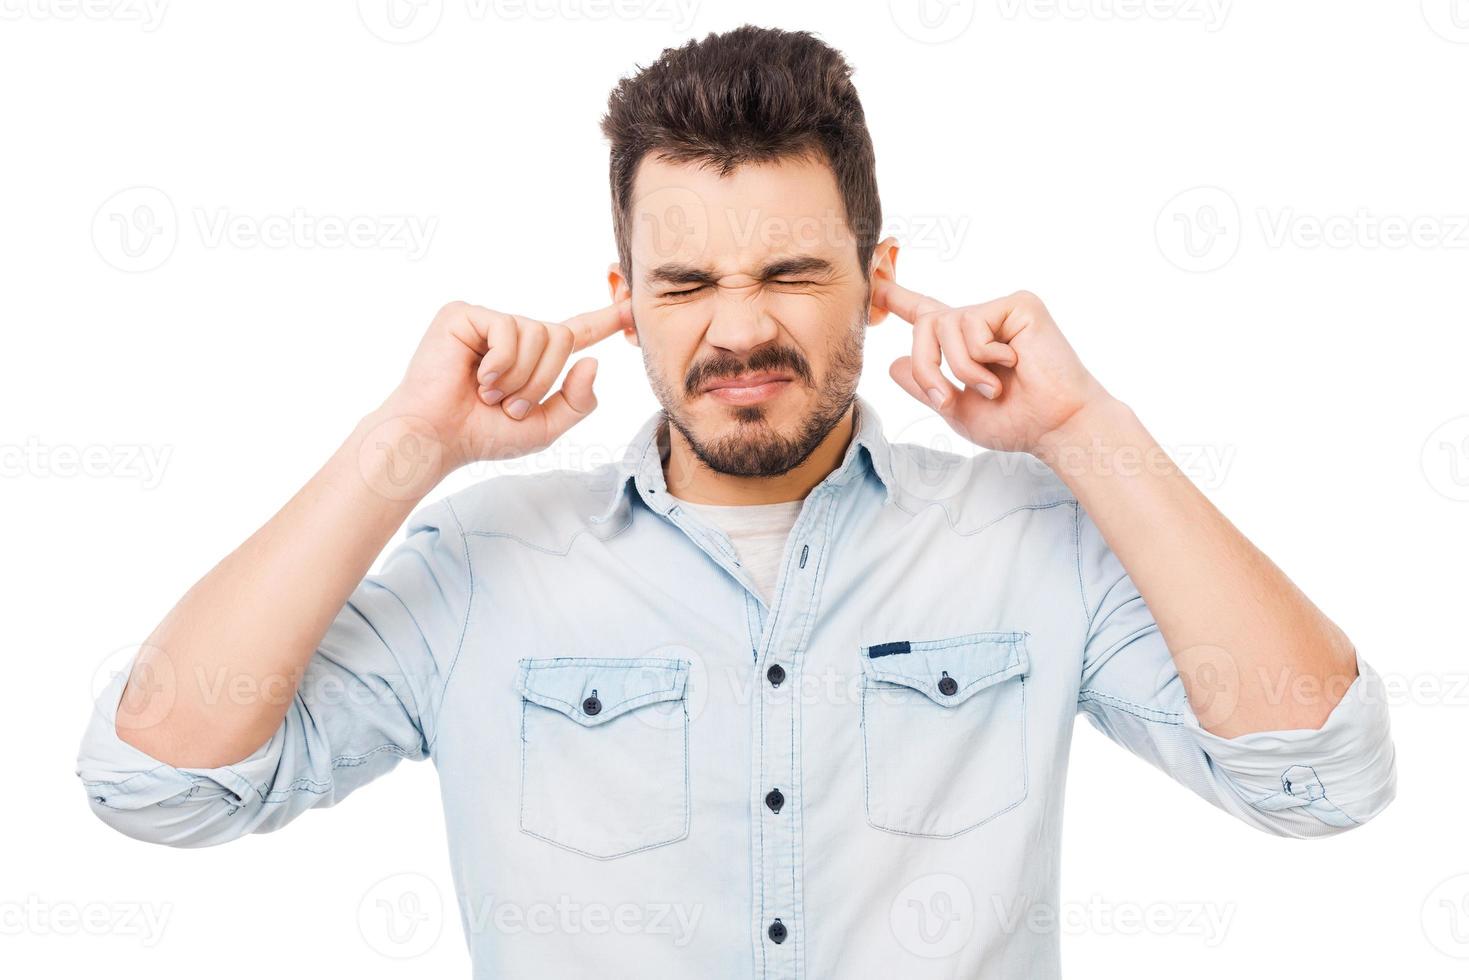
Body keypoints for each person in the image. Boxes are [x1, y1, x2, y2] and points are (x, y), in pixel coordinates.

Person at [76, 24, 1396, 979]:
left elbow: (1315, 778)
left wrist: (1081, 428)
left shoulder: (1029, 537)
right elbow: (157, 781)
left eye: (789, 271)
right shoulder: (483, 563)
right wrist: (405, 442)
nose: (741, 329)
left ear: (879, 281)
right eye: (687, 283)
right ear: (623, 294)